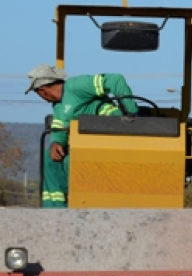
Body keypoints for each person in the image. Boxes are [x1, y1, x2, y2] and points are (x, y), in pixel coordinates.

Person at [26, 64, 139, 207]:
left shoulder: (76, 86)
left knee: (69, 161)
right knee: (49, 157)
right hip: (85, 143)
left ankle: (79, 202)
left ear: (42, 91)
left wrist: (131, 114)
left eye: (37, 93)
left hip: (109, 136)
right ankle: (54, 210)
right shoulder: (58, 106)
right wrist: (56, 143)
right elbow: (59, 128)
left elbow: (115, 80)